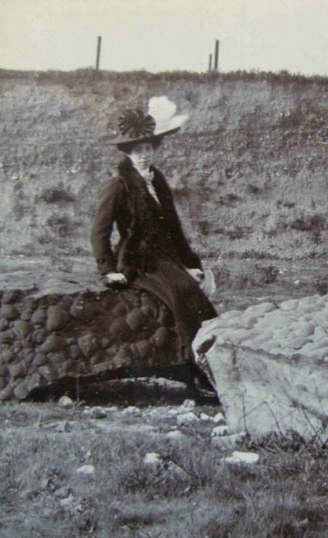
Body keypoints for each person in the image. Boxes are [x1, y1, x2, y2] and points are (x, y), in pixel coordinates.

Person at [90, 96, 217, 400]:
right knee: (181, 297)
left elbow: (172, 226)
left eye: (148, 149)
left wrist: (189, 262)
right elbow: (99, 231)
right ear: (128, 153)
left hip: (166, 257)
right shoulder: (118, 184)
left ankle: (214, 368)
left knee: (197, 295)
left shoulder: (156, 179)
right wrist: (108, 271)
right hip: (137, 261)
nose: (144, 155)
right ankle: (195, 374)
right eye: (137, 150)